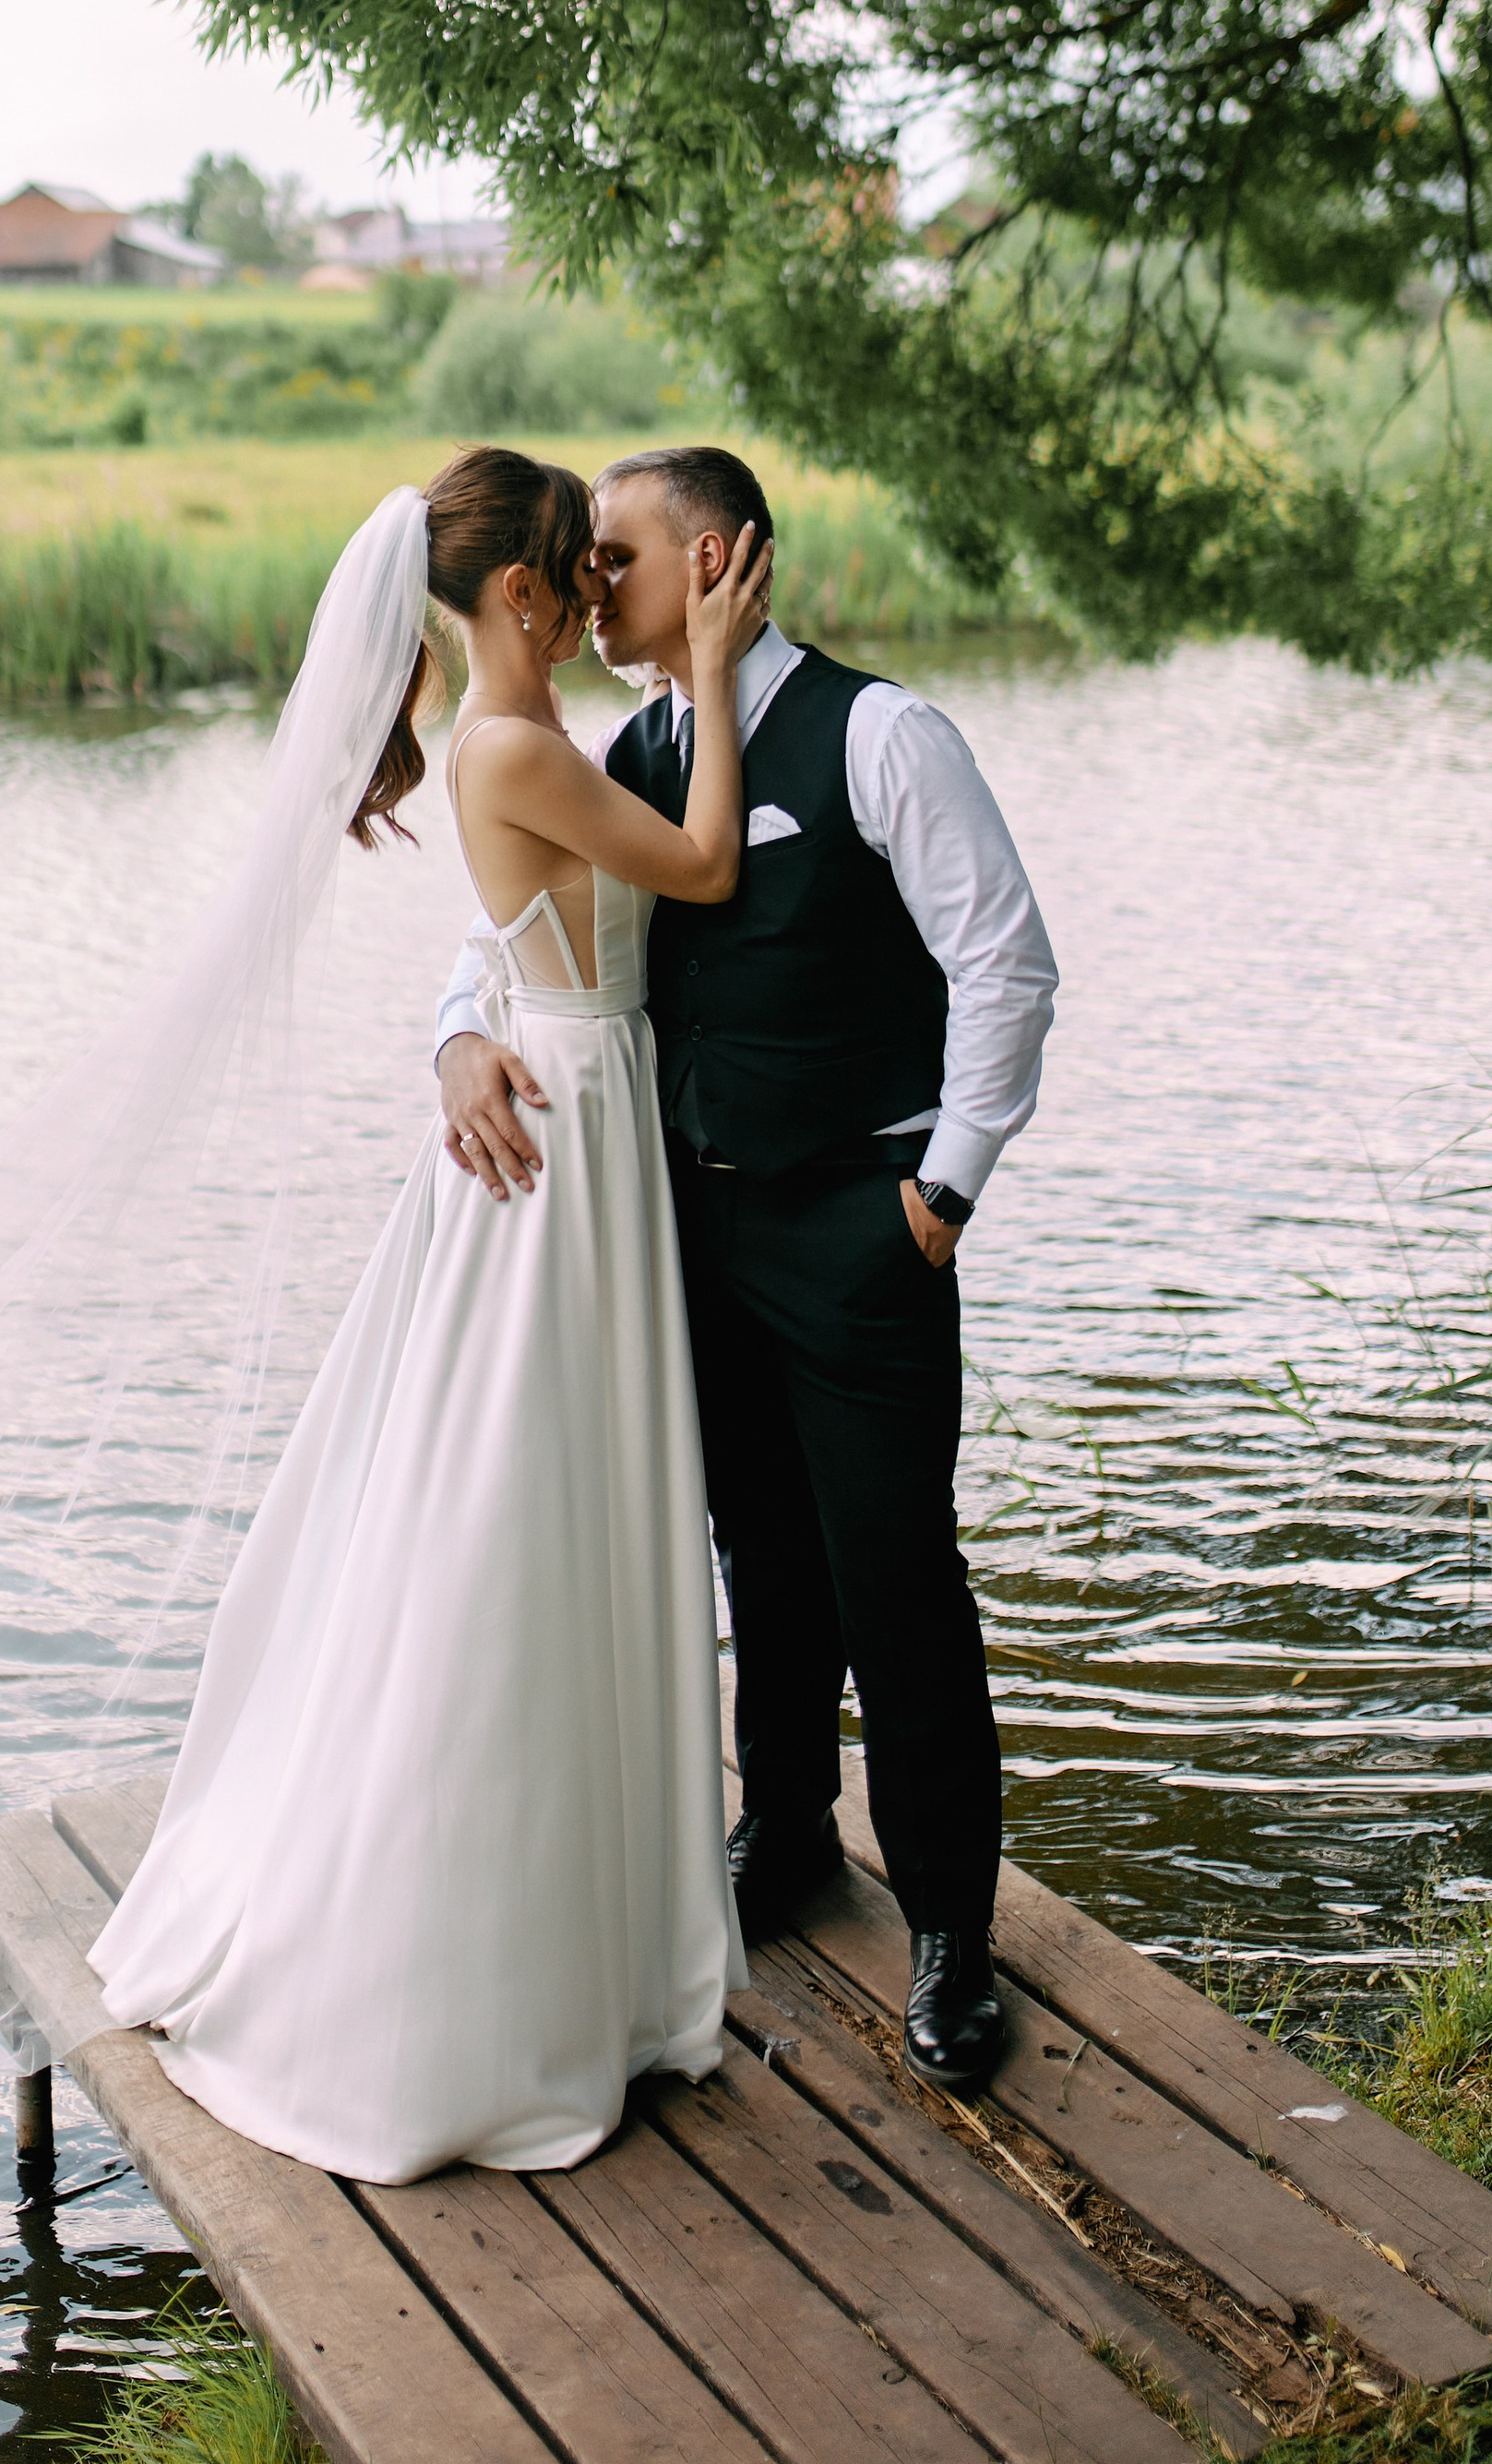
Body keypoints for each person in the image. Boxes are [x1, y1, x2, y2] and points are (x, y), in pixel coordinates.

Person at [90, 446, 774, 2183]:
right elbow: (701, 872)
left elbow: (516, 939)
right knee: (523, 1514)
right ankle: (470, 1981)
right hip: (575, 1131)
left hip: (562, 1097)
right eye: (589, 568)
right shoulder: (520, 742)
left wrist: (457, 1030)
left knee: (550, 1500)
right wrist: (707, 662)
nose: (613, 593)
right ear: (531, 595)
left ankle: (604, 1960)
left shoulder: (519, 740)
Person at [436, 445, 1057, 2098]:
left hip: (860, 1224)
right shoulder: (628, 743)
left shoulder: (881, 735)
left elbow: (1006, 961)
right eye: (580, 566)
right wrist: (452, 1042)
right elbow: (511, 915)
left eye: (620, 558)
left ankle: (948, 1929)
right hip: (681, 1229)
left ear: (719, 562)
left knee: (895, 1577)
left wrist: (943, 1187)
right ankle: (783, 1837)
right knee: (755, 1558)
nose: (591, 587)